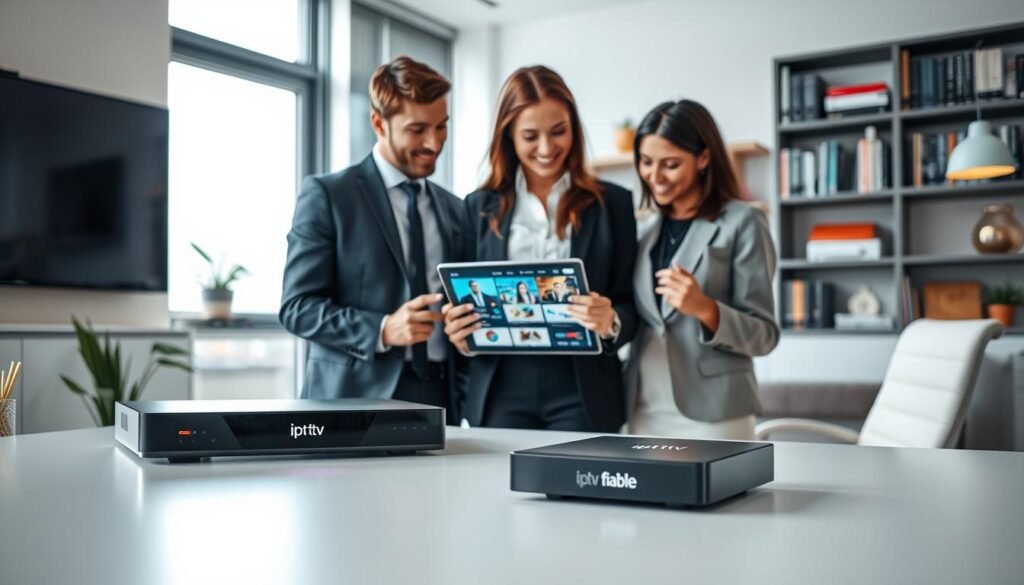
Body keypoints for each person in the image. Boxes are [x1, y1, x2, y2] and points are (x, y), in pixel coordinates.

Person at [442, 65, 637, 432]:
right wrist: (459, 332)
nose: (547, 149)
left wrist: (610, 321)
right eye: (530, 136)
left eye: (559, 132)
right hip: (500, 386)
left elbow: (630, 304)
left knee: (579, 487)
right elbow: (460, 301)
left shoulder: (614, 204)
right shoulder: (477, 207)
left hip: (583, 389)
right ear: (509, 137)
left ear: (574, 131)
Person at [279, 56, 466, 421]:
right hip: (354, 395)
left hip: (441, 395)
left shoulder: (455, 209)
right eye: (417, 129)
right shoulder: (329, 195)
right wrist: (383, 329)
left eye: (441, 127)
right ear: (379, 123)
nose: (434, 142)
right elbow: (297, 308)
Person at [624, 99, 779, 440]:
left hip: (715, 412)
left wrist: (705, 309)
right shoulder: (643, 232)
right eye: (646, 162)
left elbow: (765, 335)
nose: (655, 176)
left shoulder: (744, 222)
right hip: (643, 408)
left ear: (704, 158)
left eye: (671, 164)